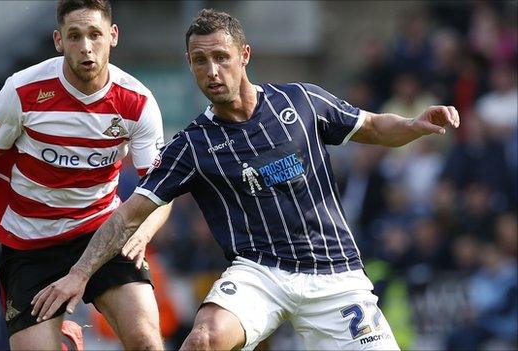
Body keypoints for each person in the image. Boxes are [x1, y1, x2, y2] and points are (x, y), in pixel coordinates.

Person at [31, 8, 460, 350]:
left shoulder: (302, 101)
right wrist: (80, 273)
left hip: (335, 273)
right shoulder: (192, 146)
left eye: (221, 57)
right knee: (203, 339)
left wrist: (416, 123)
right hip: (260, 274)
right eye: (200, 61)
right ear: (190, 65)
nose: (212, 71)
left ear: (244, 56)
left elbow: (373, 127)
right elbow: (128, 214)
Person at [0, 0, 170, 350]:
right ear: (58, 40)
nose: (86, 46)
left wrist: (143, 231)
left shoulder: (137, 102)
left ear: (113, 36)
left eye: (95, 34)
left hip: (102, 232)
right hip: (31, 243)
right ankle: (62, 334)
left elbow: (159, 188)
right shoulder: (23, 89)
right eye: (74, 36)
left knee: (146, 342)